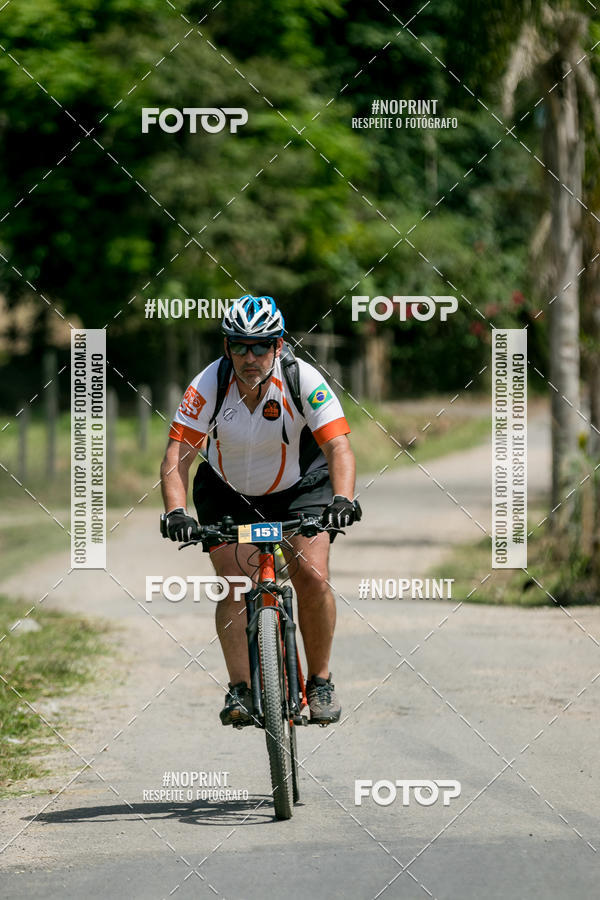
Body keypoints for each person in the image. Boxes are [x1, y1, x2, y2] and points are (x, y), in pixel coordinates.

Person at [160, 295, 361, 726]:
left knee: (312, 574)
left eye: (261, 346)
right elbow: (177, 457)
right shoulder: (208, 386)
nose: (250, 357)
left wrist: (342, 500)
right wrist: (176, 512)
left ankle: (320, 681)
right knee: (234, 583)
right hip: (226, 491)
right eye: (239, 346)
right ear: (226, 347)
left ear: (279, 345)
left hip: (300, 487)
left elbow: (338, 446)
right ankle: (241, 690)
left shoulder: (302, 378)